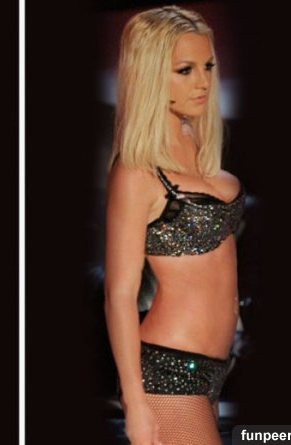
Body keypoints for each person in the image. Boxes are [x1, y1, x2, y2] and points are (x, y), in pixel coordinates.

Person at [104, 6, 244, 445]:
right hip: (170, 371)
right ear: (149, 75)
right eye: (185, 70)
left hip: (215, 367)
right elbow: (120, 294)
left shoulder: (195, 143)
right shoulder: (136, 172)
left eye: (208, 66)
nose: (203, 82)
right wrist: (135, 402)